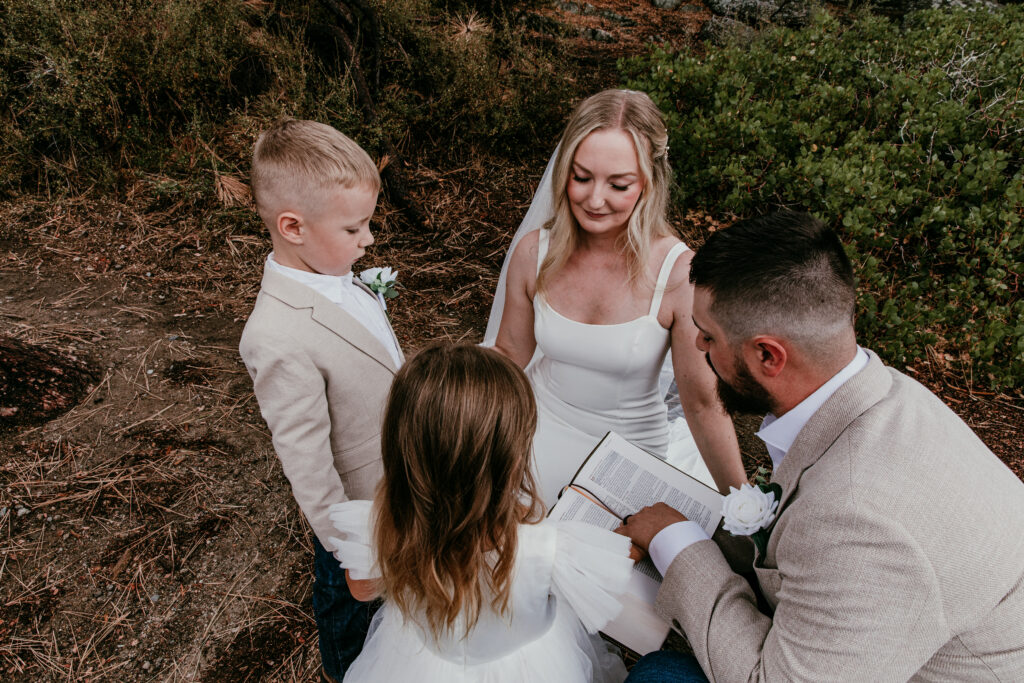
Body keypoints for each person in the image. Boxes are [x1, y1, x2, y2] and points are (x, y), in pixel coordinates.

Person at [620, 211, 1024, 682]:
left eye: (708, 337)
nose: (697, 344)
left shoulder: (859, 519)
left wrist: (678, 544)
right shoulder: (884, 393)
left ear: (768, 355)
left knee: (661, 678)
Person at [487, 89, 746, 507]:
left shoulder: (679, 273)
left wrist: (744, 505)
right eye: (582, 177)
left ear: (648, 182)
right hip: (531, 442)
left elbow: (702, 404)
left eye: (618, 184)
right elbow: (507, 355)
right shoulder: (535, 253)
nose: (594, 200)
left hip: (627, 462)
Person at [328, 343, 635, 682]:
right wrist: (634, 539)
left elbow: (360, 589)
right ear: (509, 461)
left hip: (418, 664)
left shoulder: (384, 527)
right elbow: (610, 574)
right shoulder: (546, 547)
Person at [238, 118, 404, 683]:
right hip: (355, 514)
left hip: (396, 484)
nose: (369, 241)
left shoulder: (339, 272)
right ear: (293, 227)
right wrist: (348, 550)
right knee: (351, 614)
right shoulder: (275, 335)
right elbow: (306, 464)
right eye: (355, 227)